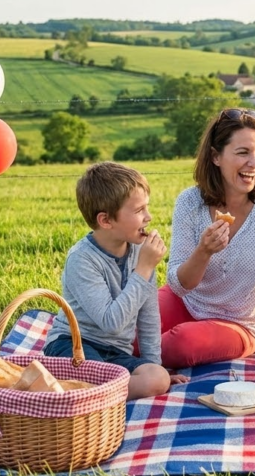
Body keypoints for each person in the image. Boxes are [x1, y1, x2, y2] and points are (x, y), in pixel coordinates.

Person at [159, 108, 255, 369]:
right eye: (243, 152)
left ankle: (146, 363)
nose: (254, 163)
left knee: (178, 345)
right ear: (216, 157)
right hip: (186, 302)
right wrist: (203, 252)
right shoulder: (189, 201)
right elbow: (178, 286)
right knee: (127, 331)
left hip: (237, 322)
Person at [44, 162, 188, 400]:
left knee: (158, 378)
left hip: (116, 353)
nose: (148, 217)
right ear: (106, 220)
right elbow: (112, 323)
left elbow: (149, 317)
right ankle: (91, 391)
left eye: (147, 208)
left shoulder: (140, 253)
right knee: (95, 373)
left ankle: (94, 393)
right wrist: (143, 269)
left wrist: (155, 366)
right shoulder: (81, 260)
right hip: (74, 345)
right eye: (139, 210)